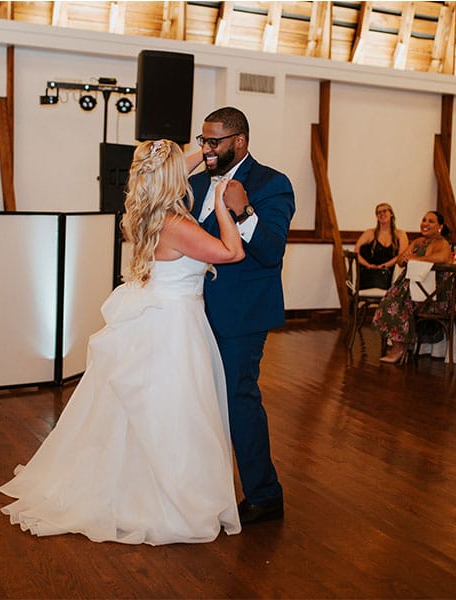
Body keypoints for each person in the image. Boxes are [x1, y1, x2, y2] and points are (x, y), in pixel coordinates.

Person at [0, 140, 244, 545]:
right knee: (175, 412)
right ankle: (169, 498)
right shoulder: (177, 225)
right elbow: (231, 253)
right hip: (175, 325)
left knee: (143, 412)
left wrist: (202, 151)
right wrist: (222, 204)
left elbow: (172, 163)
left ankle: (135, 486)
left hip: (156, 317)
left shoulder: (144, 215)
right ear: (174, 180)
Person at [189, 107, 295, 525]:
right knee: (194, 399)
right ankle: (198, 488)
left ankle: (265, 494)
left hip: (241, 314)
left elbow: (272, 252)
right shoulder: (196, 183)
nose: (206, 149)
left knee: (238, 399)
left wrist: (244, 212)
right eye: (203, 140)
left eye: (214, 142)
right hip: (191, 309)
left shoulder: (272, 183)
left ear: (240, 141)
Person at [372, 211, 455, 364]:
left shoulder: (442, 243)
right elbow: (401, 259)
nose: (425, 224)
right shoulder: (418, 242)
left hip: (430, 293)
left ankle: (399, 347)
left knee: (397, 306)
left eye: (431, 221)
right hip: (410, 285)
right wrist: (404, 260)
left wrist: (417, 259)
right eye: (424, 220)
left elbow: (443, 258)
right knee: (387, 303)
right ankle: (399, 344)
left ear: (439, 226)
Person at [352, 203, 410, 290]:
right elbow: (356, 252)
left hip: (391, 273)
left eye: (384, 211)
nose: (381, 214)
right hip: (370, 272)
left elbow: (401, 255)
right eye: (378, 212)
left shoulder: (401, 234)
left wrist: (384, 265)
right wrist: (368, 265)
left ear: (391, 214)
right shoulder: (369, 233)